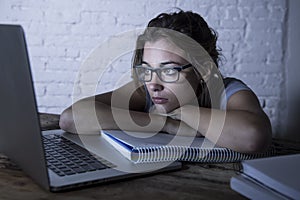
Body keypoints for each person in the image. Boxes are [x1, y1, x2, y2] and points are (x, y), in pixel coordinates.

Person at [59, 10, 272, 153]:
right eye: (147, 69)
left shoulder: (230, 92)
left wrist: (183, 112)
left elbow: (253, 137)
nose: (154, 83)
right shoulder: (145, 90)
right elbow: (71, 119)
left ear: (203, 71)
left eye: (169, 70)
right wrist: (167, 124)